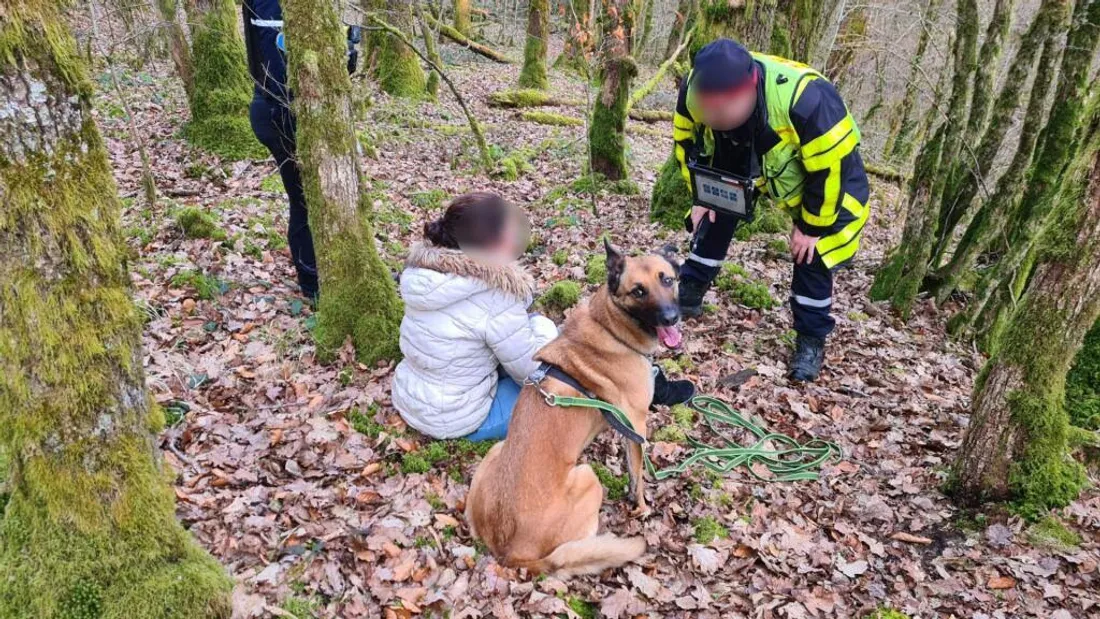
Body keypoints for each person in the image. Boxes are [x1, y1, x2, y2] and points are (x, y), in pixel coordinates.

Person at [392, 192, 695, 441]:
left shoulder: (427, 274)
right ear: (495, 242)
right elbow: (532, 371)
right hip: (460, 419)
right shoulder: (494, 295)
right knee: (573, 385)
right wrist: (543, 326)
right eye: (511, 230)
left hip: (413, 397)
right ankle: (643, 387)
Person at [671, 39, 871, 382]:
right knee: (717, 205)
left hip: (828, 181)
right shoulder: (693, 88)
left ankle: (810, 339)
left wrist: (811, 226)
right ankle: (690, 288)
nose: (713, 119)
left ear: (747, 91)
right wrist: (700, 193)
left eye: (721, 111)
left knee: (814, 252)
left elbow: (831, 170)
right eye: (707, 110)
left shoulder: (809, 101)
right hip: (750, 153)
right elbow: (685, 142)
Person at [243, 0, 358, 298]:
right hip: (278, 111)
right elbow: (275, 63)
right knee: (304, 198)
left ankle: (337, 271)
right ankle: (312, 283)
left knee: (322, 194)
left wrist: (343, 57)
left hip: (289, 108)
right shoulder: (269, 5)